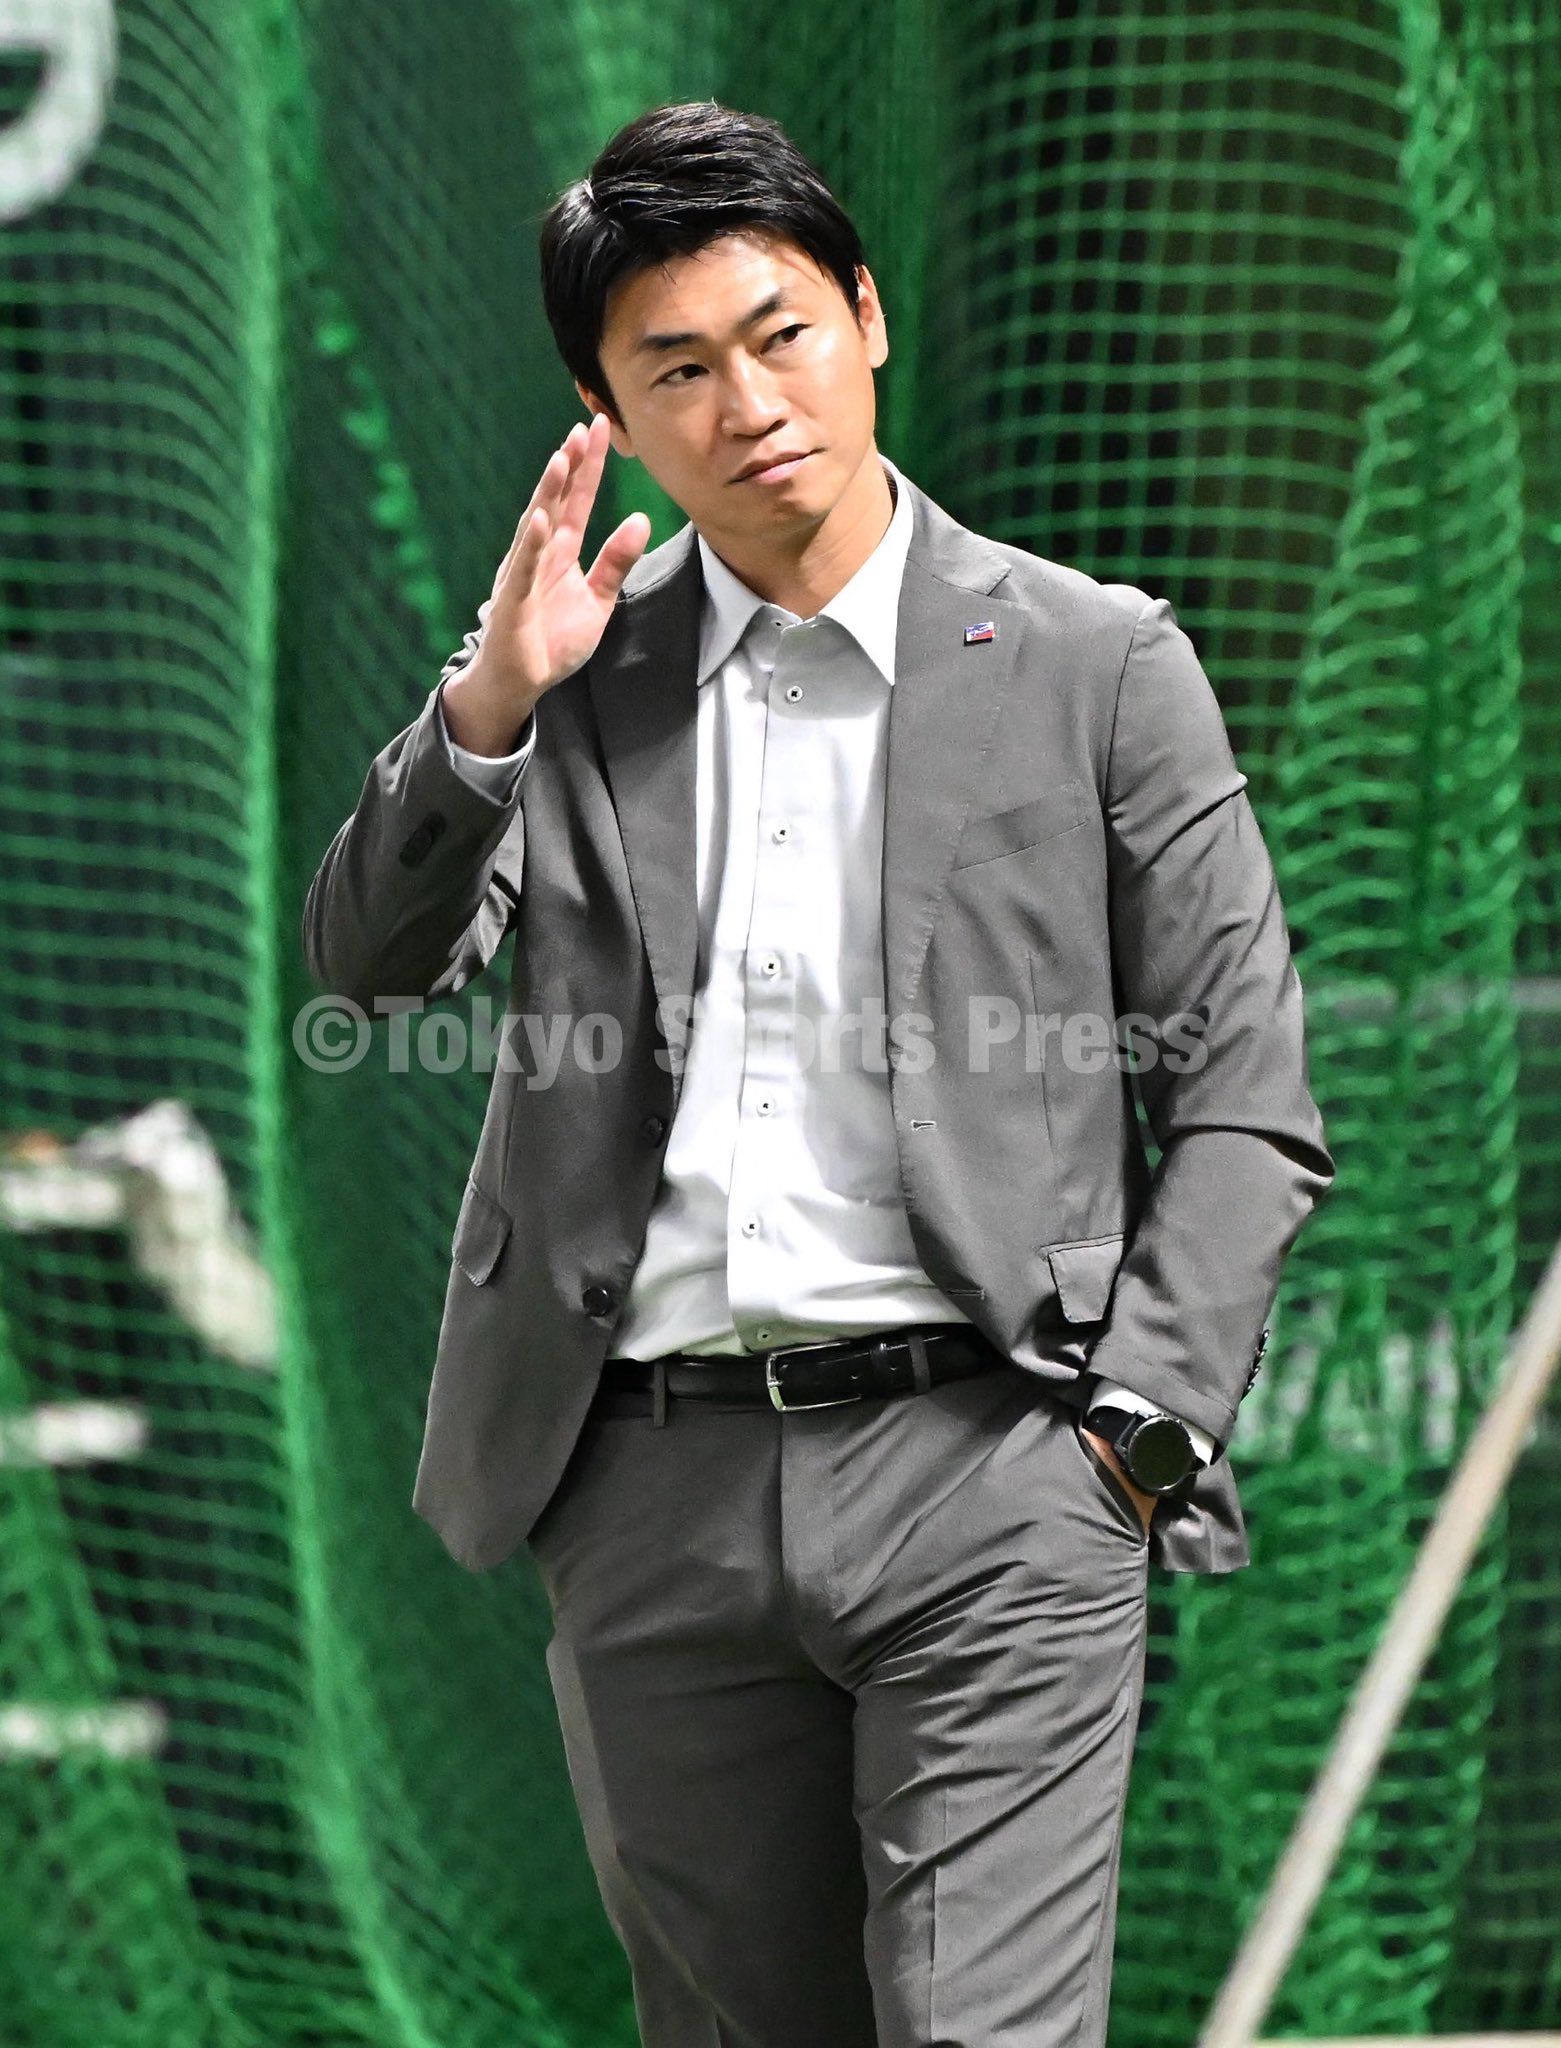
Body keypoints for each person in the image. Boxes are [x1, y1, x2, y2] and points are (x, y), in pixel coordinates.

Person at [302, 98, 1336, 2048]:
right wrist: (491, 699)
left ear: (865, 317)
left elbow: (1246, 1095)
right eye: (676, 368)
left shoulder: (1097, 662)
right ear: (607, 412)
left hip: (1001, 1473)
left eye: (779, 333)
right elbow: (367, 964)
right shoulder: (569, 679)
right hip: (647, 1487)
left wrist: (1129, 1437)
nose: (747, 401)